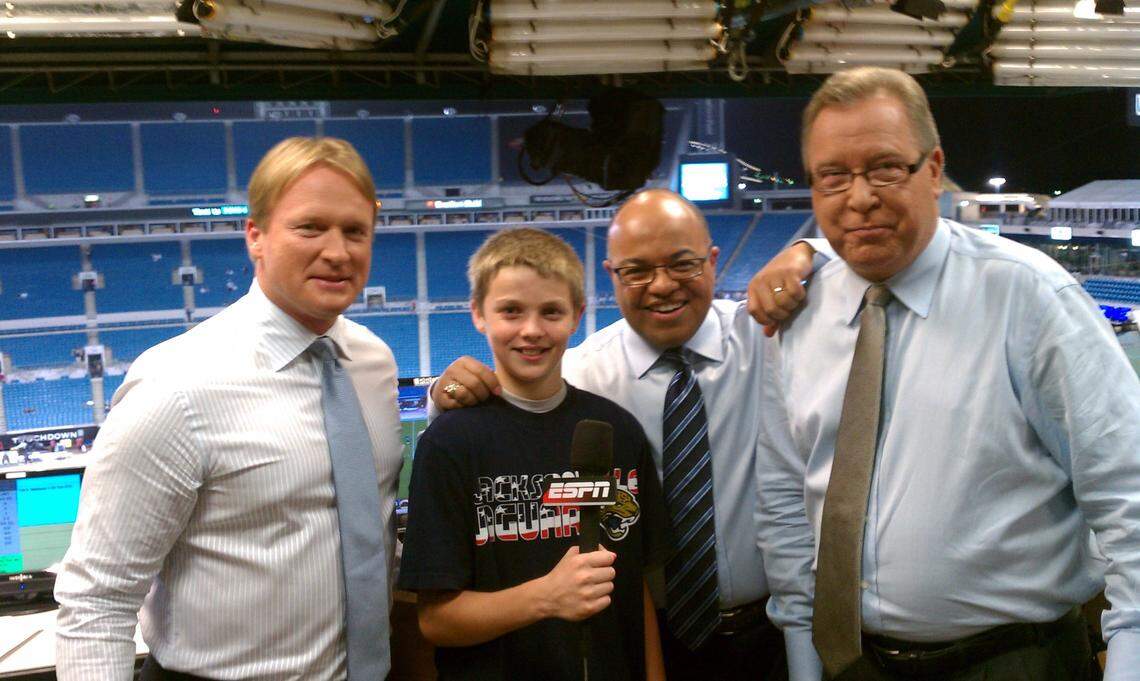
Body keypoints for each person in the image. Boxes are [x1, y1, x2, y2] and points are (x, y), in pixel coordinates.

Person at [755, 66, 1140, 681]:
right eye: (833, 176)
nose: (859, 198)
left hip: (1013, 661)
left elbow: (1129, 497)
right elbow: (784, 503)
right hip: (852, 664)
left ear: (933, 169)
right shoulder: (796, 312)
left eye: (885, 167)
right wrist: (807, 658)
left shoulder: (1029, 298)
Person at [431, 189, 818, 681]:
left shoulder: (768, 339)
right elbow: (501, 403)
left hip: (772, 634)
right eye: (637, 270)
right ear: (612, 275)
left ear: (713, 261)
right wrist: (442, 396)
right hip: (647, 634)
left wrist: (811, 250)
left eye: (682, 264)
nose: (661, 286)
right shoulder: (582, 372)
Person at [55, 136, 403, 681]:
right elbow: (96, 602)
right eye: (310, 227)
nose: (338, 252)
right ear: (256, 236)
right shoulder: (178, 386)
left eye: (355, 231)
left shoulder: (373, 363)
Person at [398, 227, 667, 680]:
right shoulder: (448, 444)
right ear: (478, 315)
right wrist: (547, 596)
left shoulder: (616, 431)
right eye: (510, 311)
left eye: (551, 312)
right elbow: (436, 620)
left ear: (577, 315)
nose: (531, 330)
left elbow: (633, 585)